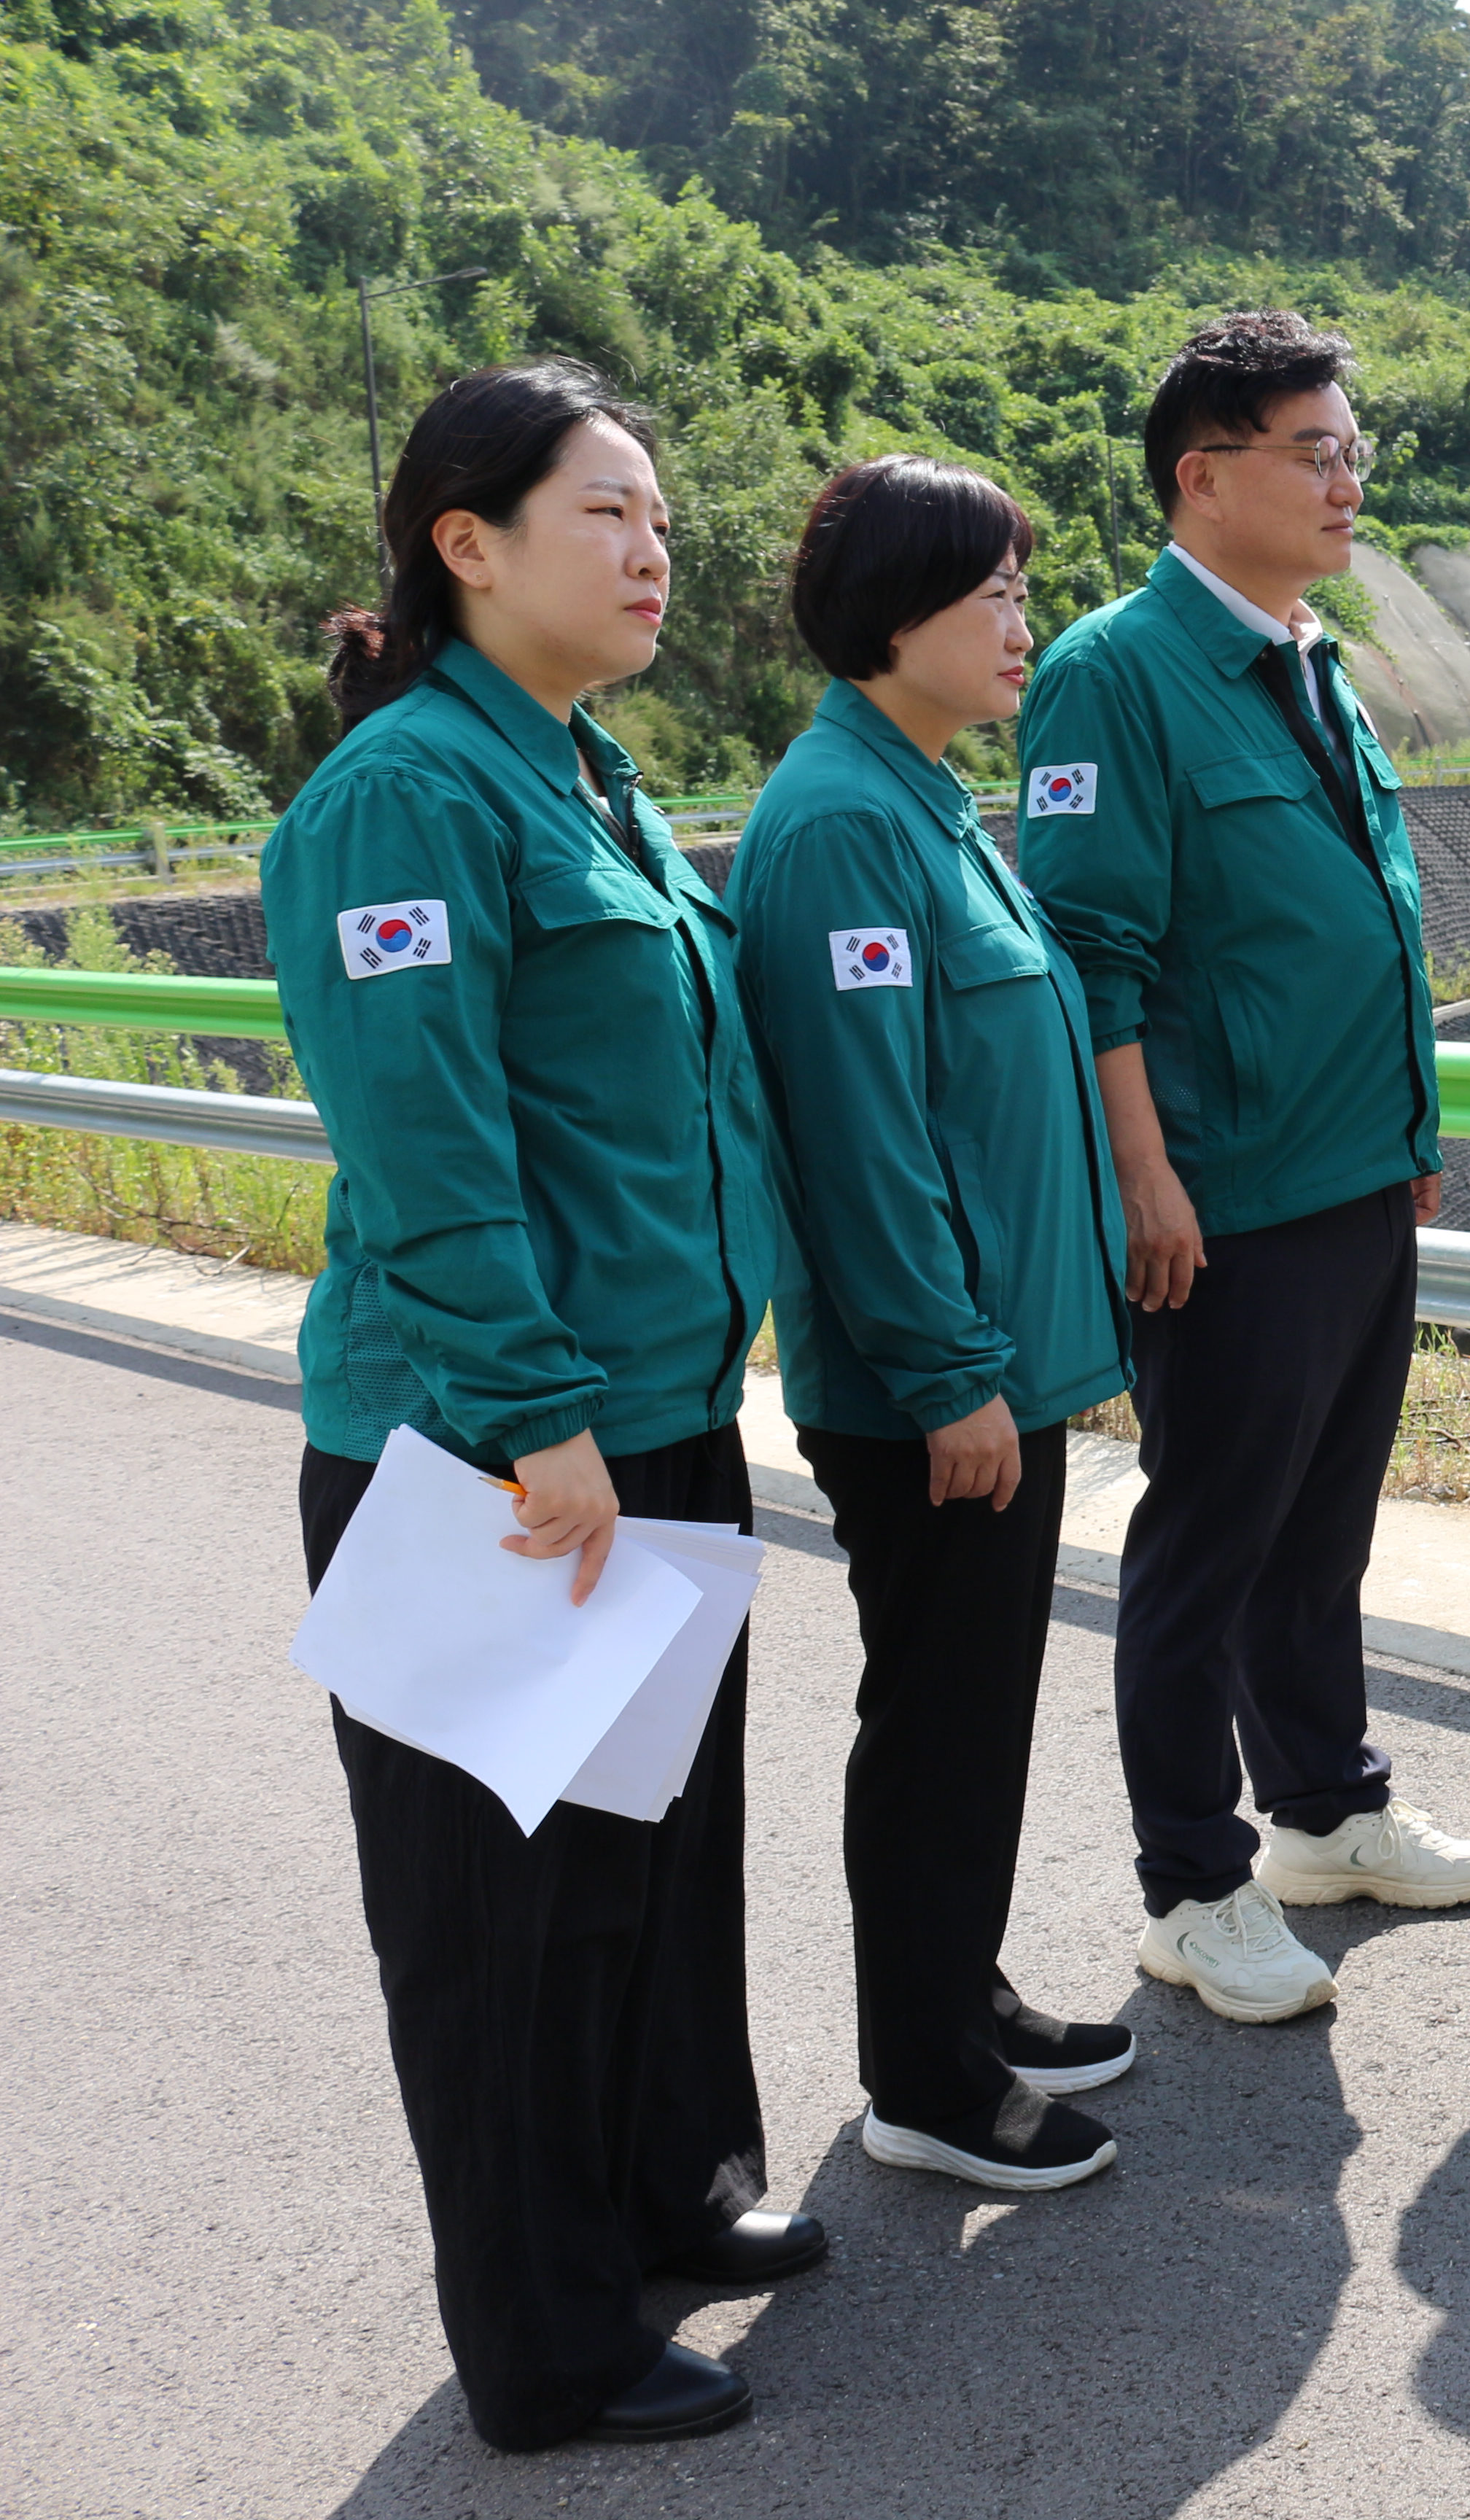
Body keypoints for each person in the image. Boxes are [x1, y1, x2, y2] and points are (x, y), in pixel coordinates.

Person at [260, 360, 804, 2450]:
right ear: (466, 545)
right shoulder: (407, 795)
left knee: (638, 1868)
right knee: (505, 1915)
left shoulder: (594, 776)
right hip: (498, 1447)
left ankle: (658, 2207)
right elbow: (425, 1138)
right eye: (606, 513)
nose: (653, 549)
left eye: (661, 516)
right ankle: (546, 2342)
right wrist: (529, 1413)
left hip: (646, 1412)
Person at [1017, 310, 1470, 2022]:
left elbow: (1362, 915)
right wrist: (1149, 1177)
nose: (1346, 478)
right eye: (1316, 450)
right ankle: (1193, 1884)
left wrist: (1410, 1141)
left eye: (1353, 451)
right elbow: (1096, 951)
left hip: (1357, 1175)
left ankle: (1326, 1813)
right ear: (1201, 474)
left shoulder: (1309, 656)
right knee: (1208, 1544)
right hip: (1226, 1196)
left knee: (1324, 1528)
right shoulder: (1111, 671)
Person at [731, 456, 1135, 2193]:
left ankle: (954, 1997)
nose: (1022, 627)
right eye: (994, 597)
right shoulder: (837, 822)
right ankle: (923, 2079)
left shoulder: (917, 796)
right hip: (934, 1386)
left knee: (973, 1711)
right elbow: (863, 1131)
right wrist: (956, 1370)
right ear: (898, 614)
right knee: (940, 1723)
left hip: (990, 1363)